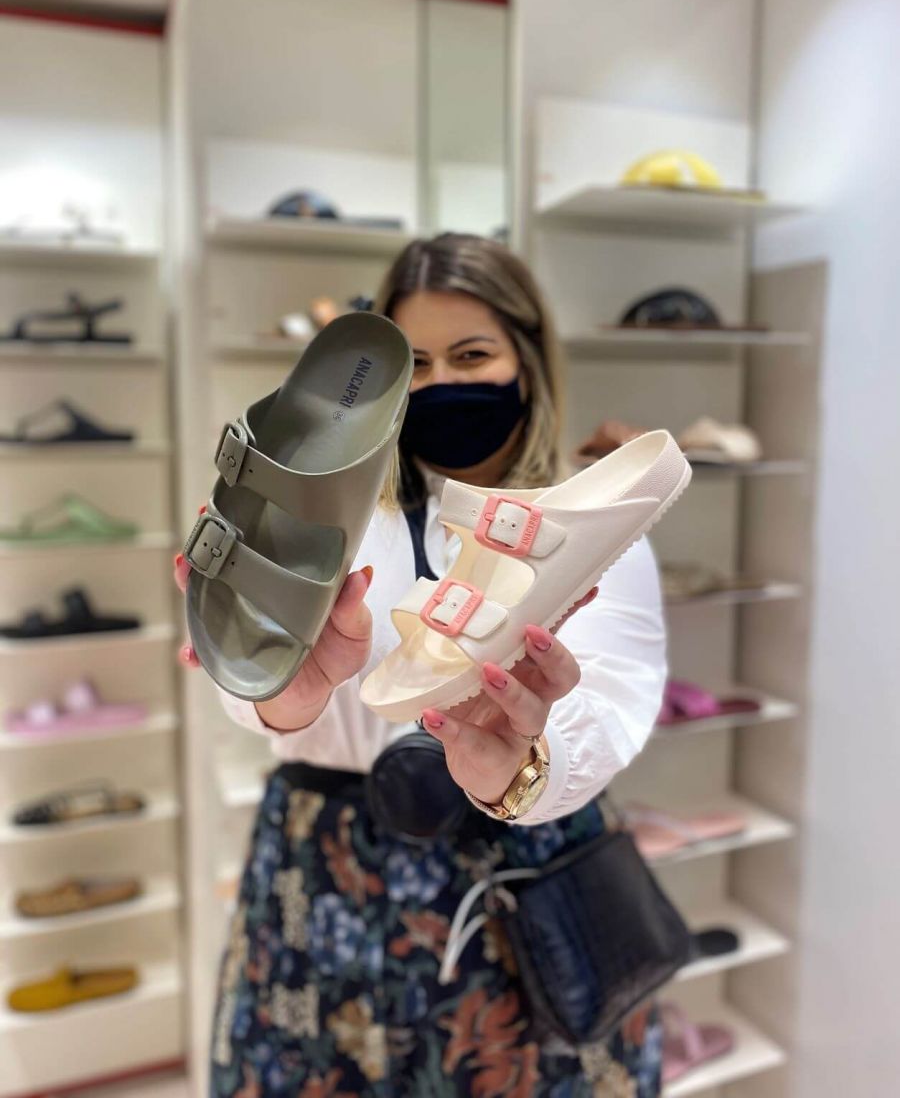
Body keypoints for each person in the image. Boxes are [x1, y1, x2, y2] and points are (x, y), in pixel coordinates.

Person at [176, 233, 668, 1097]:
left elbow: (615, 700)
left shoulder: (591, 522)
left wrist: (528, 763)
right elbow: (256, 696)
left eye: (472, 355)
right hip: (328, 866)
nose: (443, 384)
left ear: (527, 362)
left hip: (526, 868)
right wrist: (286, 695)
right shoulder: (322, 514)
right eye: (421, 364)